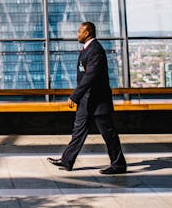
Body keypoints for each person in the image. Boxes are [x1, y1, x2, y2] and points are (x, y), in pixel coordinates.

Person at [47, 22, 127, 174]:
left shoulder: (95, 50)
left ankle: (118, 165)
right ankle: (67, 160)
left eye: (79, 32)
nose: (77, 34)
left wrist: (74, 96)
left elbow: (90, 77)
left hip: (98, 102)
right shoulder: (87, 49)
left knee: (109, 134)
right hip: (87, 101)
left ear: (88, 32)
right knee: (78, 131)